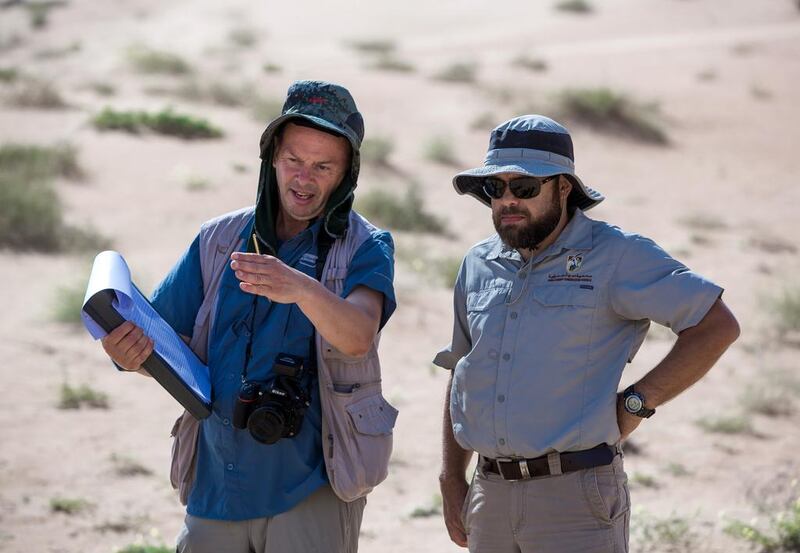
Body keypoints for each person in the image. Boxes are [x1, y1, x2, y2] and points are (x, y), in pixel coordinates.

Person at [100, 81, 397, 553]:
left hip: (311, 487)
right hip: (215, 484)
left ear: (346, 174)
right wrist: (128, 352)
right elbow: (162, 336)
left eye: (323, 166)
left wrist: (299, 287)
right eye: (294, 161)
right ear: (273, 157)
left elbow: (358, 336)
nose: (304, 179)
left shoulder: (365, 246)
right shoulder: (219, 238)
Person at [435, 114, 740, 553]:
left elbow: (717, 326)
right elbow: (461, 371)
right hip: (490, 496)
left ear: (563, 187)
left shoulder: (617, 255)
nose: (507, 201)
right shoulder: (478, 263)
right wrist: (450, 477)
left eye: (523, 187)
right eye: (494, 188)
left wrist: (636, 404)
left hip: (576, 499)